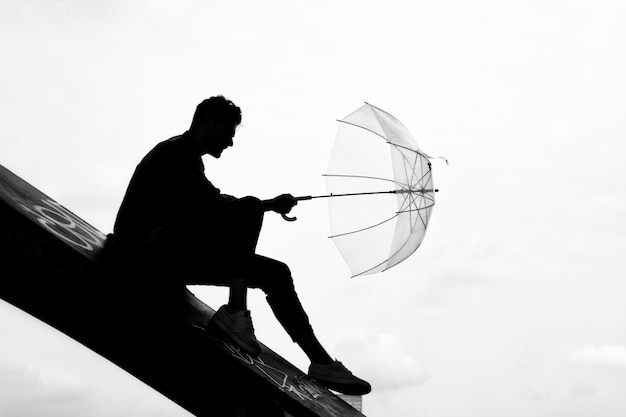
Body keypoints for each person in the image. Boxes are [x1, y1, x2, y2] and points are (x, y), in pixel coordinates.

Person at [111, 95, 371, 395]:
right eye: (228, 133)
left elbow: (208, 206)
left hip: (167, 253)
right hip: (143, 257)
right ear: (207, 124)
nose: (230, 142)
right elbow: (211, 205)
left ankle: (321, 361)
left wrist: (267, 206)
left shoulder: (186, 156)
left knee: (276, 273)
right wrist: (262, 206)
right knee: (247, 209)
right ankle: (236, 313)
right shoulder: (174, 153)